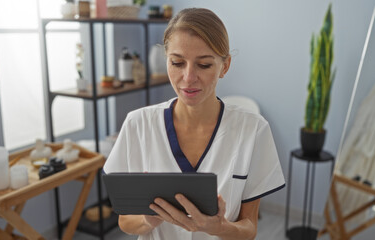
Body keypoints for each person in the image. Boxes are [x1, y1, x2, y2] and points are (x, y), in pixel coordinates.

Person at [103, 8, 285, 240]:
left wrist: (220, 228)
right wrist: (147, 219)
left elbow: (249, 228)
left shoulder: (253, 130)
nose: (188, 77)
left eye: (204, 65)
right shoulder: (137, 125)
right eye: (177, 63)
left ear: (225, 66)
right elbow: (125, 221)